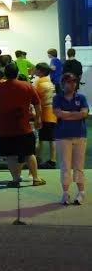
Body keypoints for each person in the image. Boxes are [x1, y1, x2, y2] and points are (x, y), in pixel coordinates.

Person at [0, 62, 45, 188]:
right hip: (24, 127)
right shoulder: (27, 86)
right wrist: (38, 119)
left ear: (5, 74)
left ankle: (15, 179)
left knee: (10, 155)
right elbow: (37, 104)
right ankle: (35, 178)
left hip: (5, 128)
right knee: (29, 153)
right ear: (18, 73)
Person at [52, 73, 87, 205]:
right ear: (63, 84)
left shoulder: (81, 97)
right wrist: (76, 114)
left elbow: (84, 113)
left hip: (80, 135)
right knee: (65, 166)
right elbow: (58, 113)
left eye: (74, 81)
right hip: (62, 136)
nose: (72, 84)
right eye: (69, 81)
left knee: (79, 166)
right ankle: (65, 193)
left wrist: (67, 114)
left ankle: (81, 192)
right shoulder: (57, 98)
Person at [33, 62, 58, 169]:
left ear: (41, 71)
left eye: (36, 69)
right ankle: (52, 160)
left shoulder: (39, 83)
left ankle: (38, 159)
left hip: (44, 113)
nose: (34, 71)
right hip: (52, 113)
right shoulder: (49, 82)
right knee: (52, 139)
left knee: (42, 139)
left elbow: (35, 99)